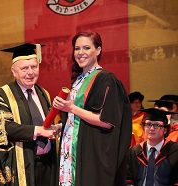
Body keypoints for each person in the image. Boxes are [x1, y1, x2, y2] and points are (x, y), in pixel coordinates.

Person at [52, 31, 132, 186]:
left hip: (90, 155)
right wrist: (61, 126)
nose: (80, 53)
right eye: (77, 48)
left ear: (98, 50)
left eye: (86, 48)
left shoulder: (106, 79)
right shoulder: (78, 80)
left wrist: (71, 108)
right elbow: (79, 121)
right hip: (70, 152)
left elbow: (107, 121)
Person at [0, 43, 60, 186]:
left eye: (34, 67)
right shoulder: (3, 95)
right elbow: (5, 127)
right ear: (13, 71)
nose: (30, 72)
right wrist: (39, 130)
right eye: (24, 68)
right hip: (22, 162)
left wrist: (55, 128)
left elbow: (46, 123)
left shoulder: (43, 93)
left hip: (47, 163)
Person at [126, 108, 178, 186]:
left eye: (157, 125)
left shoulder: (175, 151)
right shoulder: (134, 152)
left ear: (165, 130)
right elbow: (128, 177)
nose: (152, 128)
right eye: (148, 124)